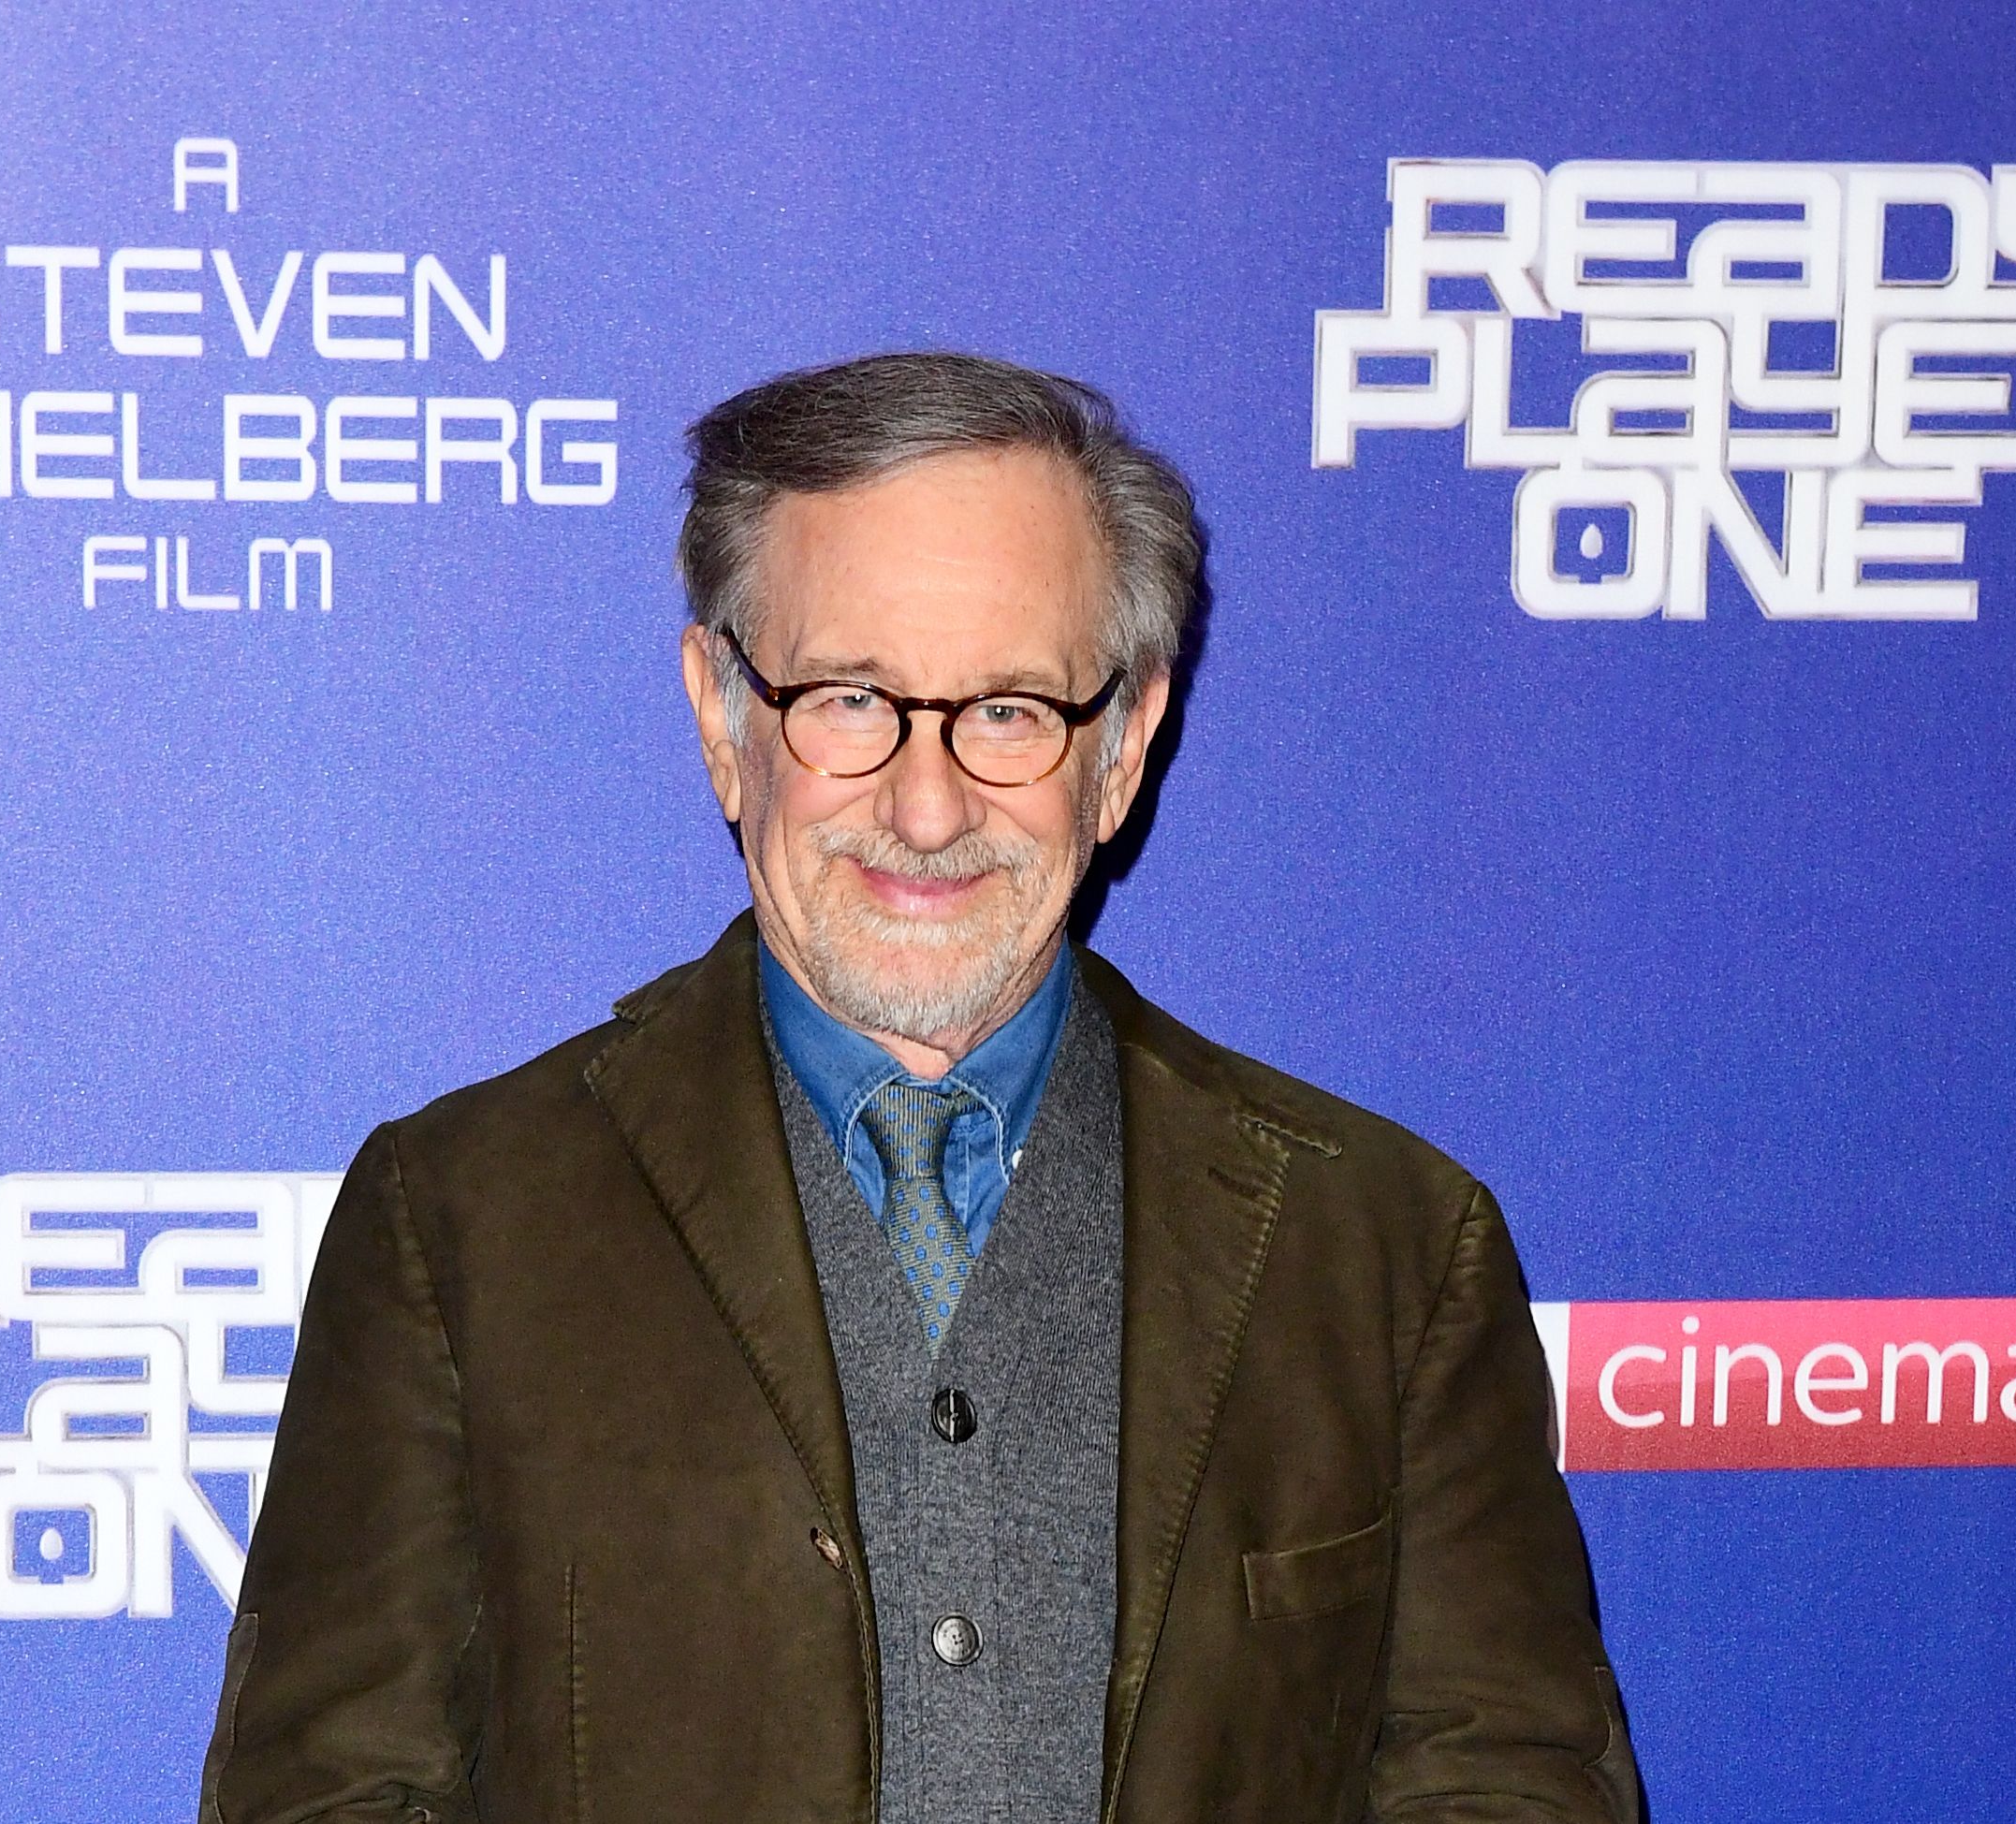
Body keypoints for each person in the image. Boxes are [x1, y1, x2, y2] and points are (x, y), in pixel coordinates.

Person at [198, 352, 1643, 1823]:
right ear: (720, 713)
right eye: (849, 698)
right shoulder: (457, 1223)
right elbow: (320, 1798)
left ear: (1124, 742)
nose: (927, 802)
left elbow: (1513, 1785)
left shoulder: (1387, 1249)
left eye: (1010, 709)